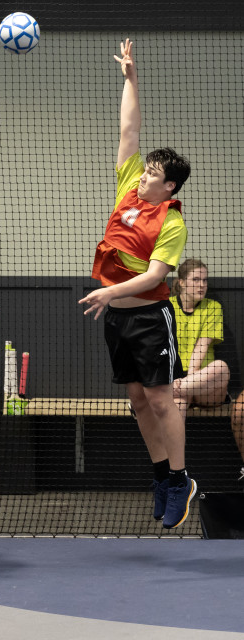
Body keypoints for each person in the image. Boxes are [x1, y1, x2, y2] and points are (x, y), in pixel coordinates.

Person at [79, 39, 194, 529]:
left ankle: (181, 478)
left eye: (153, 175)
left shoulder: (172, 221)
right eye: (145, 170)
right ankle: (160, 475)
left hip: (149, 316)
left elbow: (155, 277)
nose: (144, 176)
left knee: (162, 399)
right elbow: (129, 128)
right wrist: (130, 78)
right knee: (137, 401)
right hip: (118, 320)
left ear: (170, 187)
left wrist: (108, 292)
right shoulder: (128, 186)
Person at [170, 258, 230, 420]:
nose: (202, 285)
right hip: (175, 379)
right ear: (182, 282)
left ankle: (160, 393)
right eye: (196, 280)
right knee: (178, 406)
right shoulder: (167, 307)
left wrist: (188, 381)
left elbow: (201, 346)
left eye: (204, 280)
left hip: (204, 384)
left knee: (221, 367)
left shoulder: (213, 307)